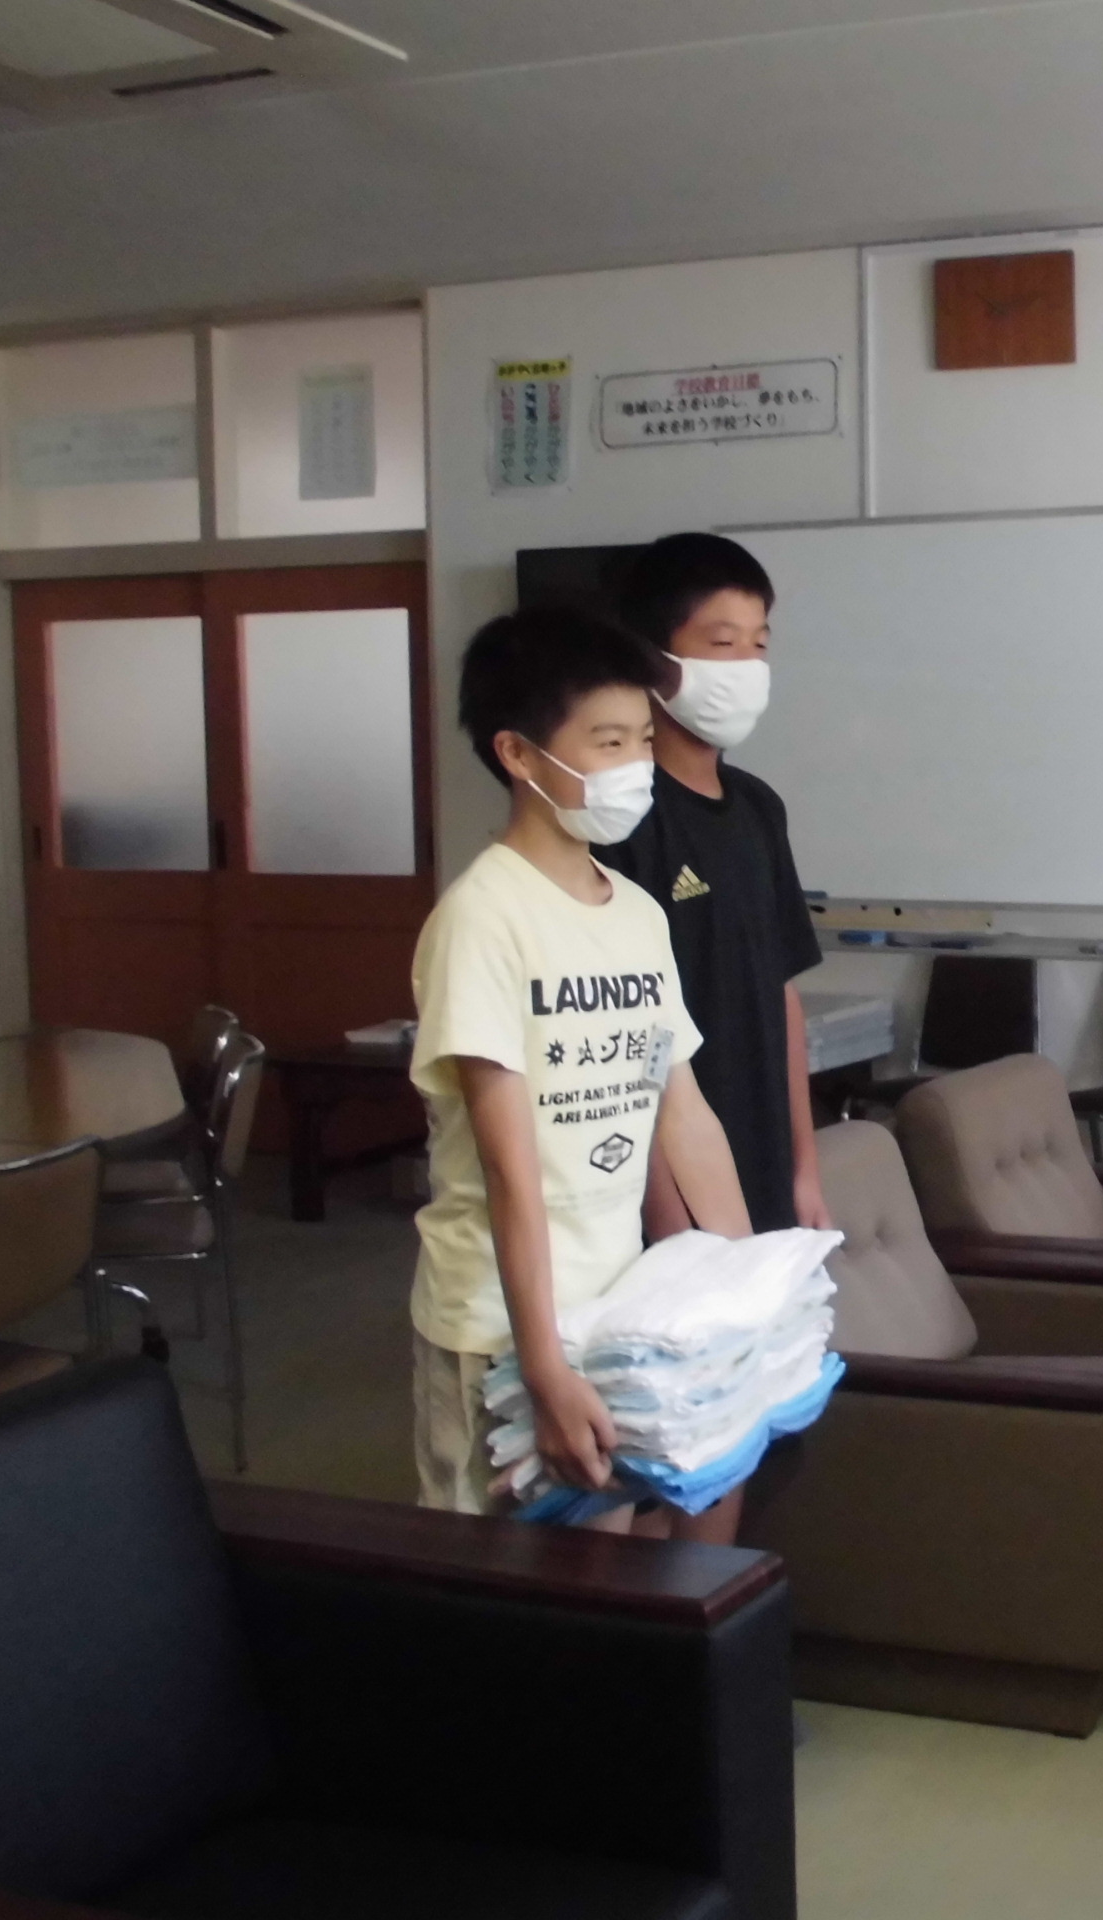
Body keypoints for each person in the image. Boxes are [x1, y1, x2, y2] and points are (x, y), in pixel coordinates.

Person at [409, 605, 753, 1537]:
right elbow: (509, 1171)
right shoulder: (483, 918)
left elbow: (685, 1115)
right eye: (608, 742)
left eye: (642, 738)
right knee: (496, 1585)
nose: (636, 763)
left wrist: (747, 1295)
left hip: (609, 1312)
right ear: (519, 754)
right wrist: (544, 1368)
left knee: (600, 1576)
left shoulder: (637, 912)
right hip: (497, 1324)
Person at [594, 533, 833, 1240]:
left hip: (763, 1161)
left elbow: (782, 994)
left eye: (759, 645)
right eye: (723, 644)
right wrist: (665, 1211)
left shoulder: (758, 807)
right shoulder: (619, 819)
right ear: (651, 657)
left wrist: (804, 1167)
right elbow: (623, 1031)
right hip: (674, 1178)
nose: (747, 668)